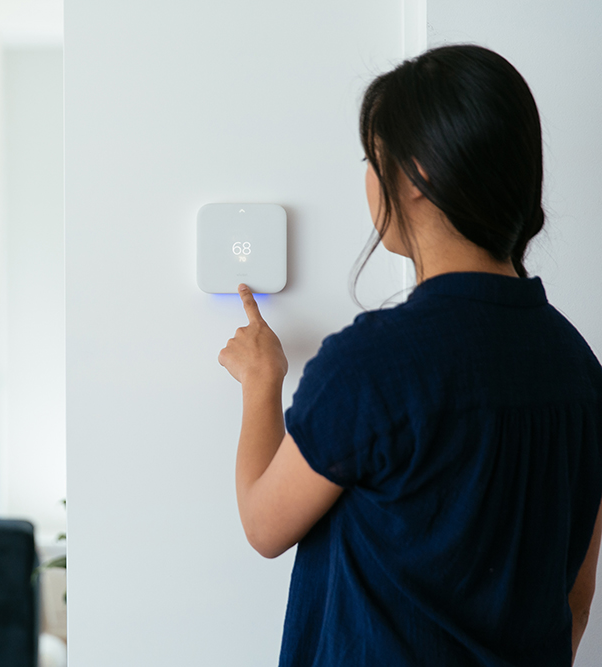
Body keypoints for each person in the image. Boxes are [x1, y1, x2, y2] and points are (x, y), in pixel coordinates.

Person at [218, 44, 602, 667]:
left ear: (417, 175)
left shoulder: (373, 365)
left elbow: (265, 525)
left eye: (373, 160)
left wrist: (261, 381)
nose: (368, 178)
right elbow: (576, 599)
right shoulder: (579, 369)